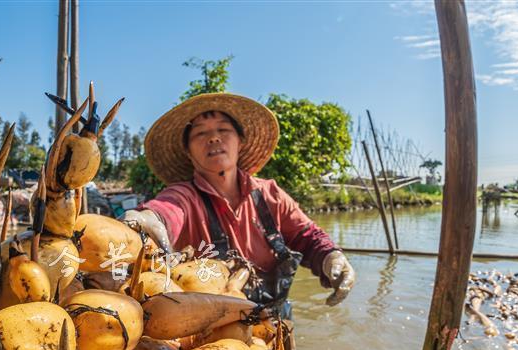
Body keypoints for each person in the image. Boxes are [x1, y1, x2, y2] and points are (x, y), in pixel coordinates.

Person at [122, 93, 355, 312]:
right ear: (188, 151)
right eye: (200, 133)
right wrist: (146, 218)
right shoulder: (184, 196)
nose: (214, 137)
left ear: (240, 141)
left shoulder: (270, 193)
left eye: (223, 129)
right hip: (212, 327)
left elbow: (308, 237)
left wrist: (331, 257)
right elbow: (165, 211)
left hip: (274, 315)